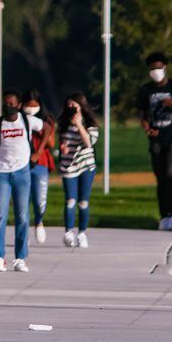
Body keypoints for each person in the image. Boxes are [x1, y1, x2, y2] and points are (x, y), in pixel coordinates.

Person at [0, 89, 45, 273]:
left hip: (22, 173)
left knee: (22, 216)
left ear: (18, 105)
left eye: (12, 103)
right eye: (5, 103)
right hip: (1, 173)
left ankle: (20, 258)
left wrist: (38, 152)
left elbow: (47, 128)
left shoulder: (27, 121)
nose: (8, 106)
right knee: (0, 213)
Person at [135, 52, 172, 231]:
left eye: (158, 68)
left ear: (165, 68)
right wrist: (147, 128)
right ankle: (164, 215)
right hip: (156, 138)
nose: (155, 71)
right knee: (160, 177)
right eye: (152, 69)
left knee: (171, 174)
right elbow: (142, 115)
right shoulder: (146, 90)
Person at [58, 93, 99, 248]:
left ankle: (82, 233)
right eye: (69, 106)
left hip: (86, 166)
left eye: (74, 105)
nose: (71, 109)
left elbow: (88, 143)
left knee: (83, 202)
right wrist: (63, 147)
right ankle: (68, 232)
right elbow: (62, 141)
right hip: (69, 166)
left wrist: (80, 124)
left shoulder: (90, 123)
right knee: (70, 201)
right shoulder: (63, 123)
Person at [21, 90, 55, 244]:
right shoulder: (18, 119)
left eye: (35, 106)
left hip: (40, 162)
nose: (31, 109)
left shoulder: (46, 120)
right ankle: (24, 229)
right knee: (23, 198)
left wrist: (40, 130)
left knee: (40, 198)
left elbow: (51, 143)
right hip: (22, 162)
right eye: (28, 106)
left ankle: (39, 221)